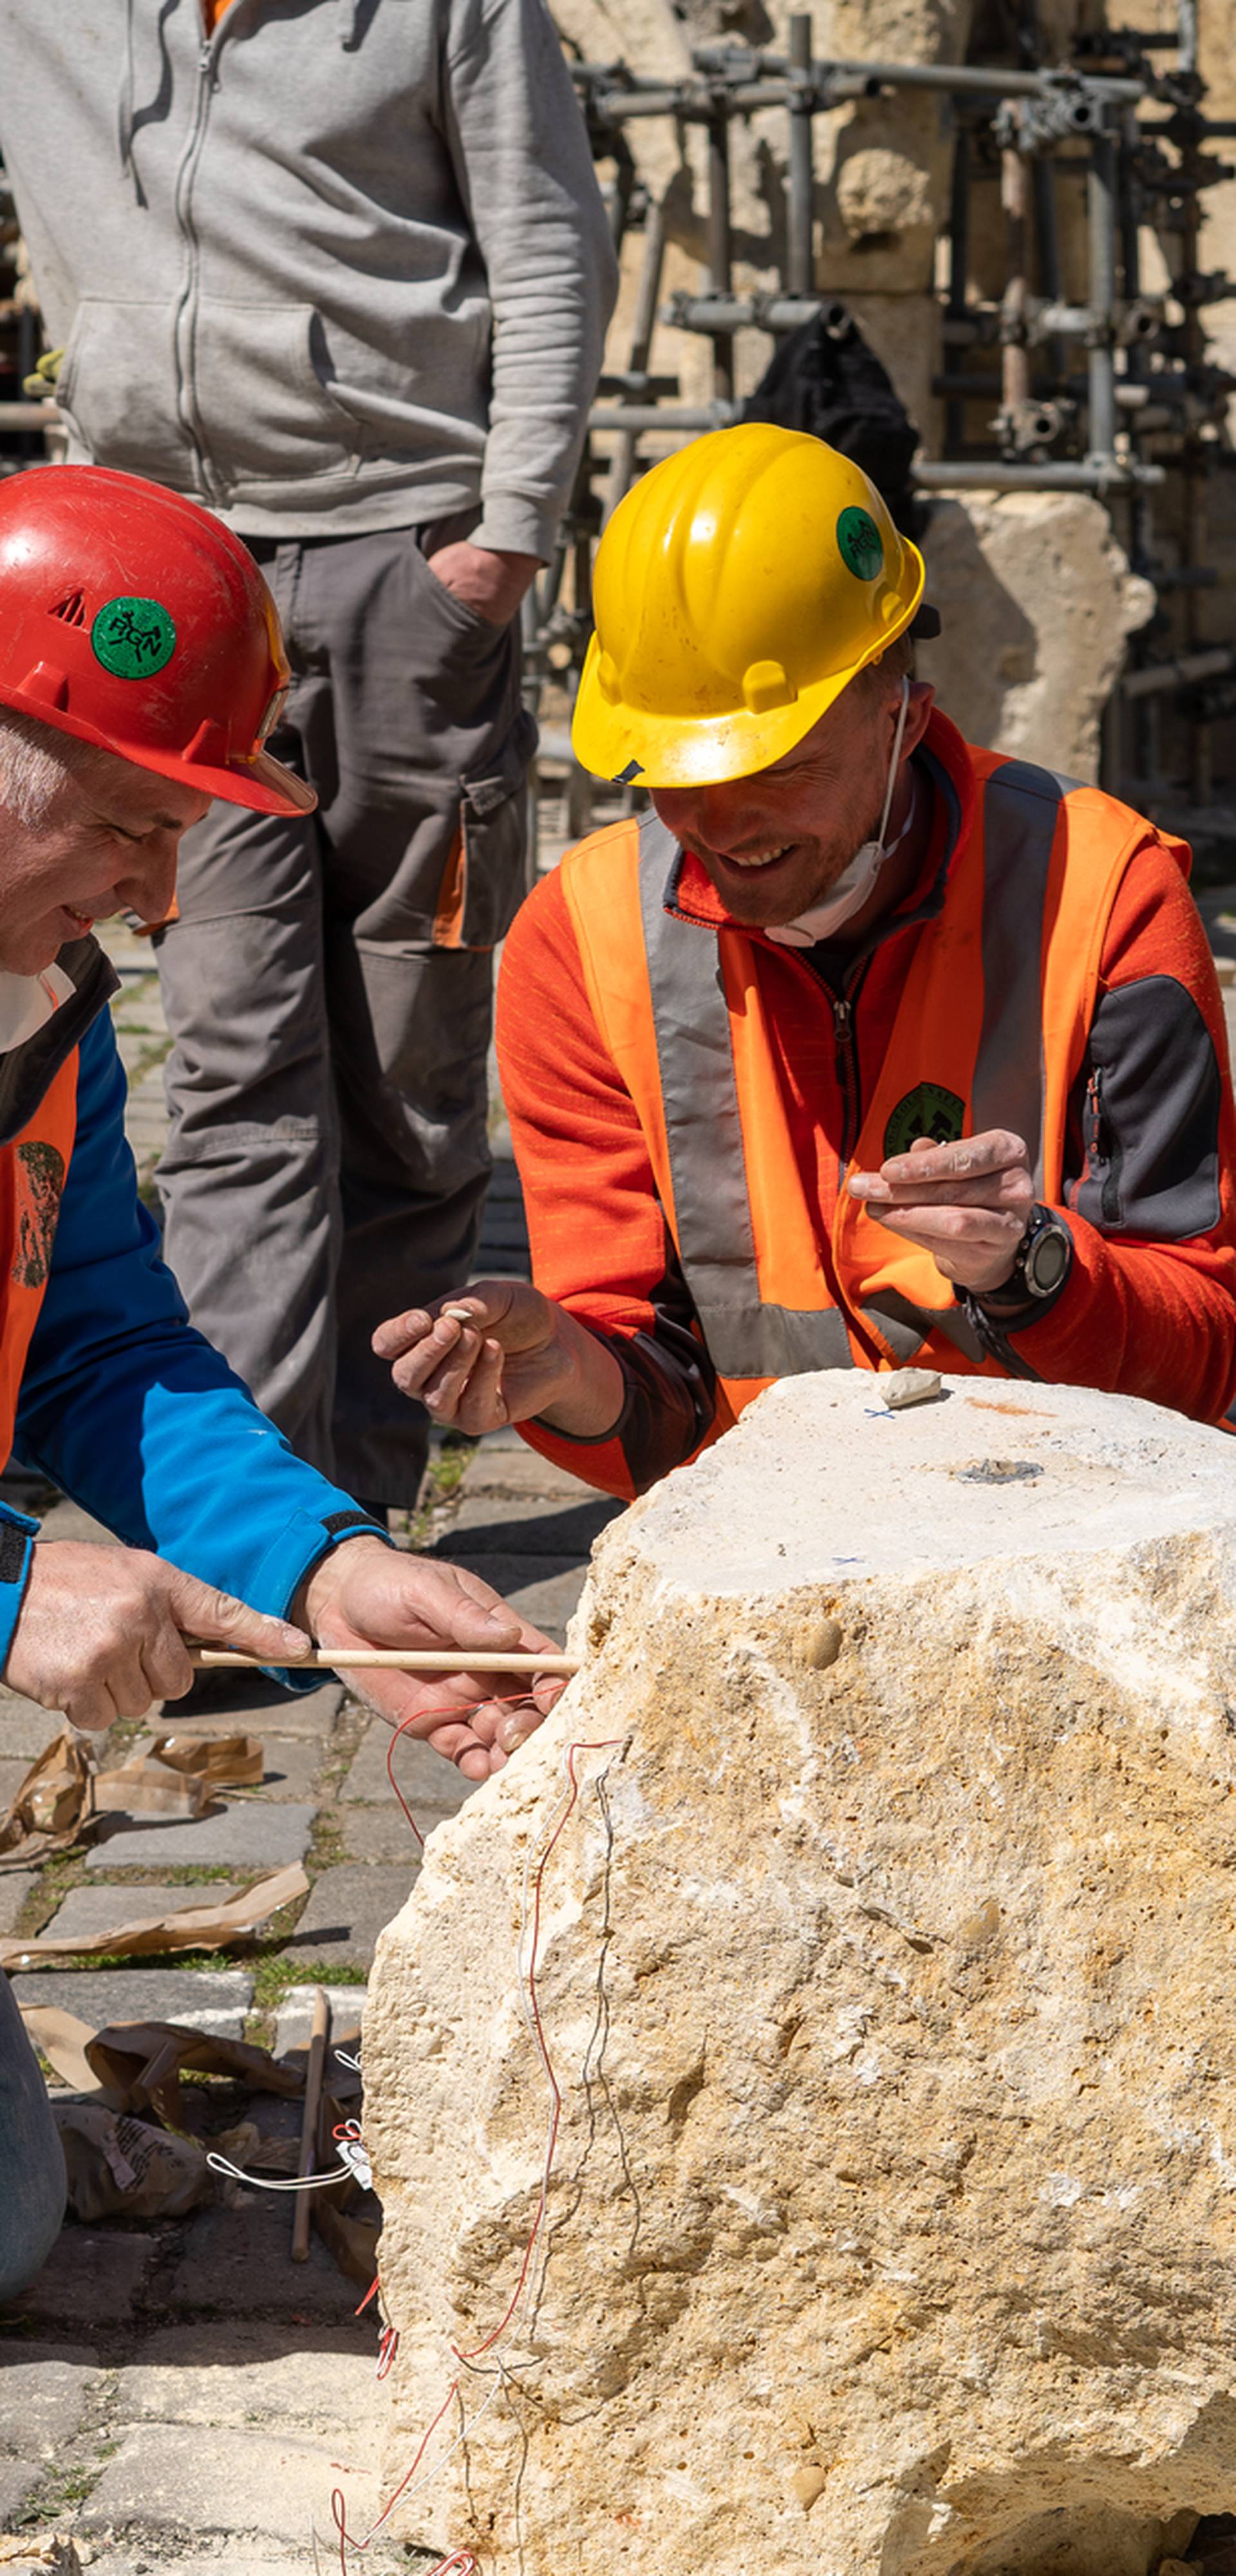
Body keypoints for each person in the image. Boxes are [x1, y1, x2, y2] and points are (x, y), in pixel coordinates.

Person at [0, 464, 560, 2297]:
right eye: (132, 828)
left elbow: (98, 1346)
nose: (165, 902)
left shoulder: (38, 1014)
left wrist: (329, 1573)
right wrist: (11, 1587)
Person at [0, 0, 617, 1514]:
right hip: (147, 597)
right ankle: (251, 1537)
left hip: (400, 556)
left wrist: (501, 545)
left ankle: (369, 1487)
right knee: (231, 1071)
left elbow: (547, 247)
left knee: (406, 1069)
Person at [373, 424, 1236, 1493]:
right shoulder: (584, 940)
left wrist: (1034, 1269)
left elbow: (1198, 1366)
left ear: (901, 714)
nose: (718, 822)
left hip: (1067, 1533)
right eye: (675, 768)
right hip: (766, 1549)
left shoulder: (1104, 894)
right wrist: (566, 1375)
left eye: (774, 765)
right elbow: (654, 1410)